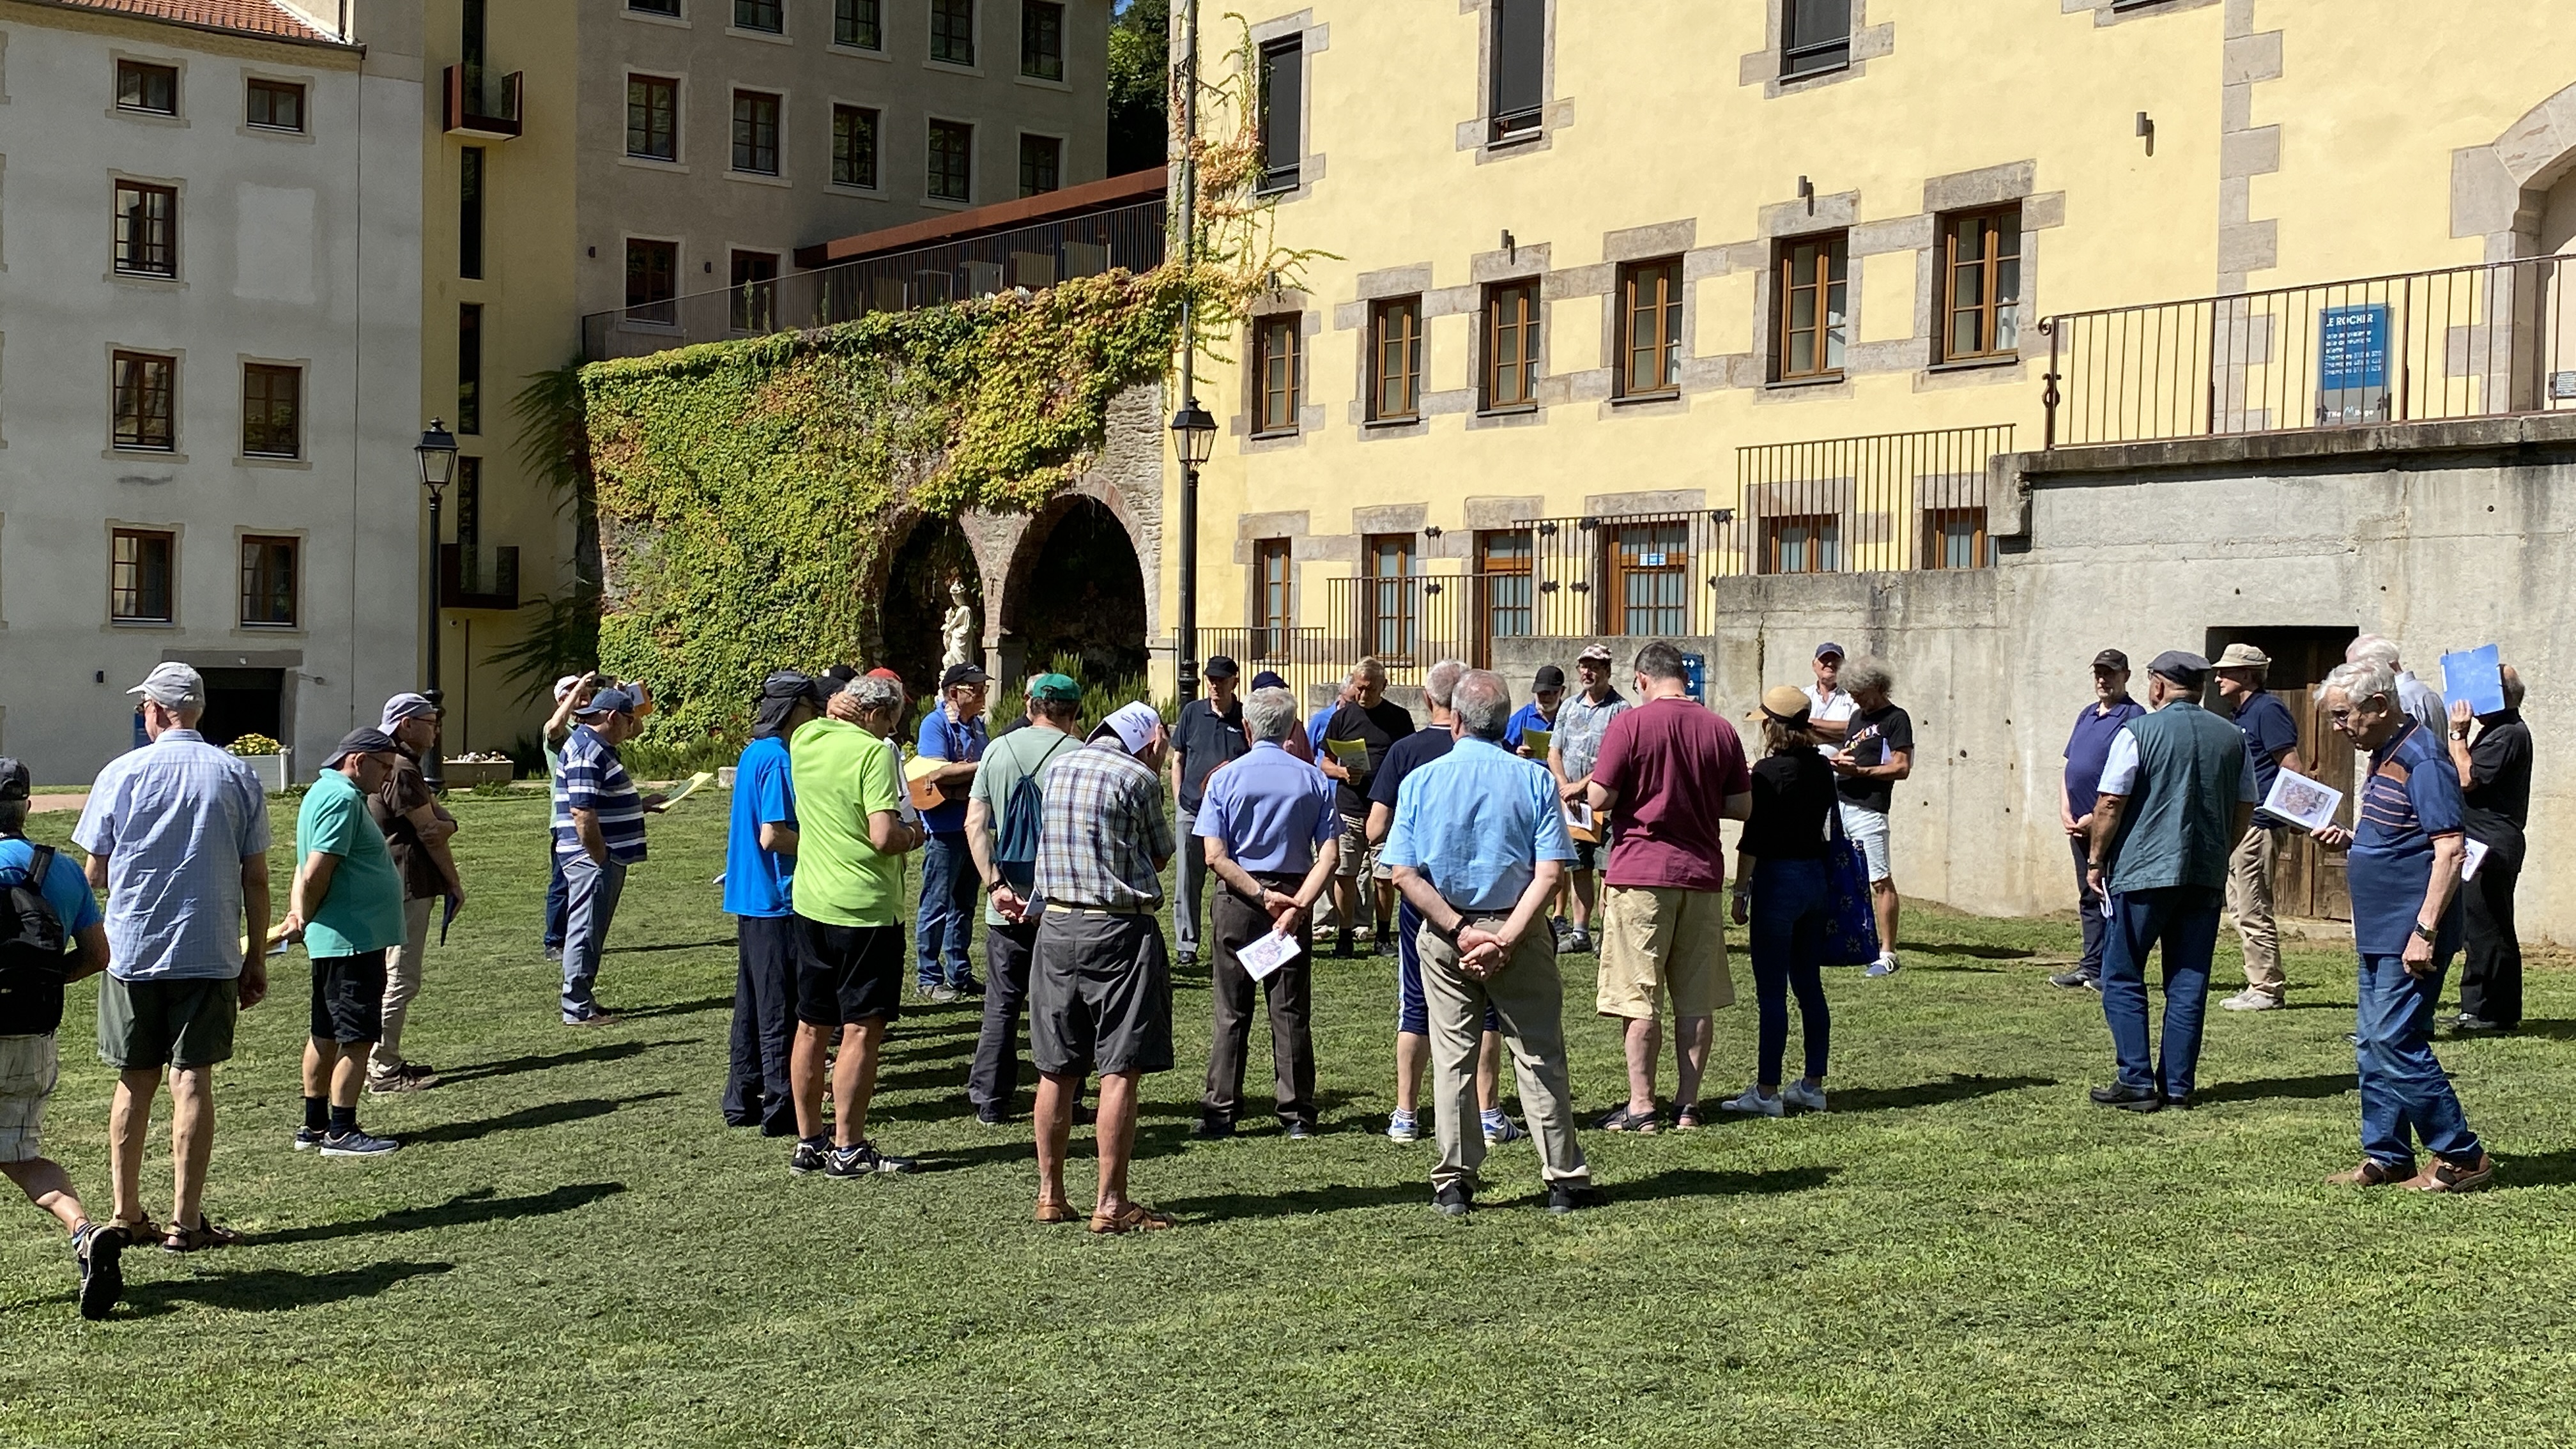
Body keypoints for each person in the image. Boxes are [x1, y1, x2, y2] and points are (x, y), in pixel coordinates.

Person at [1384, 670, 1603, 1217]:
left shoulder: (1421, 782)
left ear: (1455, 720)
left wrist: (1461, 931)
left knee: (1453, 1055)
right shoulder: (1532, 779)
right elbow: (1552, 870)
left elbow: (1403, 874)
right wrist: (1505, 936)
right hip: (1518, 928)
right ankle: (1563, 1177)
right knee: (1538, 1052)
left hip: (1446, 932)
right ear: (1507, 723)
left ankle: (1454, 1181)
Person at [72, 663, 272, 1254]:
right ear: (198, 711)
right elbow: (255, 877)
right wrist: (255, 955)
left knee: (135, 1081)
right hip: (209, 949)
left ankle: (126, 1213)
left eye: (144, 708)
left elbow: (94, 871)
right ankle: (185, 1223)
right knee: (192, 1081)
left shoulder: (122, 773)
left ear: (157, 711)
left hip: (133, 949)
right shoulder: (237, 773)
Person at [2310, 659, 2490, 1192]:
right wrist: (2355, 840)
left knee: (2394, 1038)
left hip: (2411, 934)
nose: (2339, 729)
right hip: (2380, 930)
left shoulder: (2425, 759)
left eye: (2344, 717)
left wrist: (2426, 931)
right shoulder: (2384, 752)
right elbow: (2404, 834)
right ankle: (2388, 1155)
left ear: (2381, 707)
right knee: (2371, 1043)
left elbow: (2451, 850)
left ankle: (2462, 1157)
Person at [1587, 641, 1752, 1132]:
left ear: (1641, 679)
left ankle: (1641, 1105)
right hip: (1700, 875)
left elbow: (1600, 796)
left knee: (1638, 996)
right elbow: (1742, 806)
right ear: (1684, 677)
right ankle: (1687, 1105)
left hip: (1640, 873)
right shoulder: (1720, 728)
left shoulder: (1630, 724)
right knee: (1695, 998)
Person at [1030, 702, 1179, 1233]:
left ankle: (1050, 1194)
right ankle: (1110, 1202)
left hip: (1056, 925)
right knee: (1120, 1066)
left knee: (1057, 1067)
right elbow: (1162, 854)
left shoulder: (1060, 767)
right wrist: (1155, 770)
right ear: (1147, 741)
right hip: (1118, 927)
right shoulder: (1139, 777)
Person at [2083, 651, 2254, 1113]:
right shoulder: (2234, 737)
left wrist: (2096, 859)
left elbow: (2110, 803)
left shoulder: (2137, 732)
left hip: (2143, 872)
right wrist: (2221, 850)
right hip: (2204, 873)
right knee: (2188, 980)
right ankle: (2178, 1085)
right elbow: (2244, 808)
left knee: (2121, 974)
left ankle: (2136, 1079)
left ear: (2157, 686)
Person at [1364, 663, 1519, 1147]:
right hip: (1494, 897)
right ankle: (1489, 1112)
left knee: (1416, 1006)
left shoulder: (1407, 753)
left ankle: (1407, 1114)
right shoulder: (1504, 756)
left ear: (1431, 699)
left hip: (1427, 899)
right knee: (1489, 1007)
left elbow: (1374, 830)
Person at [785, 674, 925, 1177]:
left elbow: (814, 722)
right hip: (864, 907)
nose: (894, 730)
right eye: (891, 719)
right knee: (862, 1028)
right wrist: (915, 834)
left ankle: (809, 1141)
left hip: (812, 899)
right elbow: (884, 835)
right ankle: (849, 1145)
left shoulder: (805, 739)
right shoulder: (874, 754)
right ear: (873, 716)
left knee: (810, 1024)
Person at [0, 756, 125, 1319]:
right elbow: (99, 956)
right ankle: (83, 1230)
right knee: (23, 1154)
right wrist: (51, 978)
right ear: (26, 806)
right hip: (31, 1033)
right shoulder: (62, 870)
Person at [1193, 686, 1338, 1138]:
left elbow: (1214, 855)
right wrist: (1297, 904)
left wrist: (1260, 894)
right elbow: (1329, 856)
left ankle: (1221, 1112)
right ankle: (1296, 1114)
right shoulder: (1313, 778)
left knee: (1231, 1011)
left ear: (1248, 727)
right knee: (1289, 1009)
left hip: (1240, 899)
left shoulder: (1225, 779)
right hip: (1292, 897)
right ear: (1294, 727)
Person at [965, 673, 1089, 1125]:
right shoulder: (1081, 756)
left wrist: (995, 886)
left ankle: (990, 1100)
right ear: (1074, 712)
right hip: (1062, 904)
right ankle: (1067, 1099)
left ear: (1031, 705)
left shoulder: (998, 749)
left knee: (1001, 1004)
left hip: (1005, 905)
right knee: (1064, 1007)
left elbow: (975, 825)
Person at [280, 729, 410, 1159]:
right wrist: (306, 915)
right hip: (352, 940)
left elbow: (304, 869)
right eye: (384, 767)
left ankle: (314, 1126)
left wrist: (298, 914)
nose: (388, 778)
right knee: (356, 1038)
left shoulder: (322, 792)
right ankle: (341, 1131)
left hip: (336, 939)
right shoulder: (340, 799)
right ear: (357, 760)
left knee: (325, 1033)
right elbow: (317, 870)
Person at [1722, 690, 1841, 1116]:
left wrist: (1739, 893)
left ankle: (1767, 1090)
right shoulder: (1823, 768)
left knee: (1772, 991)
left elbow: (1752, 840)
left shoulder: (1767, 773)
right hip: (1814, 878)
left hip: (1778, 880)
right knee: (1809, 985)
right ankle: (1812, 1083)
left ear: (1773, 725)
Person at [723, 671, 826, 1135]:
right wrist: (824, 845)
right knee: (780, 1010)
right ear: (794, 710)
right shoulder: (780, 759)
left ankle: (740, 1097)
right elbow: (775, 834)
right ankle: (780, 1107)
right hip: (776, 899)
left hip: (748, 896)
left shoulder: (752, 753)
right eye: (811, 707)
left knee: (750, 1005)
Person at [367, 693, 461, 1093]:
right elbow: (430, 831)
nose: (436, 729)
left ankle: (375, 1057)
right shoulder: (403, 769)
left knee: (387, 975)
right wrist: (454, 882)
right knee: (400, 977)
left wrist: (448, 823)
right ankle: (383, 1066)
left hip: (390, 882)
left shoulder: (396, 764)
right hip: (406, 882)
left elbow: (441, 820)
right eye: (430, 721)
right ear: (405, 724)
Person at [2212, 643, 2305, 1012]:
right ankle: (2258, 982)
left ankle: (2267, 988)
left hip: (2260, 823)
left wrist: (2292, 817)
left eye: (2227, 671)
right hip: (2243, 824)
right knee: (2238, 908)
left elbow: (2292, 766)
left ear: (2249, 675)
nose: (2218, 678)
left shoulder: (2268, 710)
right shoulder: (2241, 713)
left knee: (2253, 908)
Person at [557, 687, 656, 1027]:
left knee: (590, 930)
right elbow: (582, 811)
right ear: (613, 718)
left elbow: (595, 801)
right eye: (630, 722)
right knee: (585, 930)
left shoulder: (595, 746)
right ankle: (577, 1007)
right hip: (592, 859)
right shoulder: (590, 750)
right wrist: (599, 856)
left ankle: (583, 998)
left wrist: (637, 806)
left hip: (598, 856)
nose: (632, 729)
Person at [2051, 651, 2145, 992]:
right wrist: (2066, 809)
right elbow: (2070, 766)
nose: (2103, 680)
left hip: (2109, 824)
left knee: (2113, 895)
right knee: (2089, 896)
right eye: (2099, 674)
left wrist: (2094, 816)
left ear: (2127, 676)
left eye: (2111, 674)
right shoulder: (2087, 714)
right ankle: (2090, 967)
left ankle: (2112, 970)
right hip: (2077, 825)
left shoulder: (2133, 716)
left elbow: (2131, 778)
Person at [2448, 666, 2531, 1033]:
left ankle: (2494, 1012)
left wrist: (2457, 735)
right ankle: (2478, 1007)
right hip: (2482, 840)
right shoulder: (2497, 732)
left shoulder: (2508, 733)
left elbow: (2467, 779)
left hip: (2492, 844)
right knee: (2477, 925)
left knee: (2488, 927)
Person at [1319, 658, 1416, 958]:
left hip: (1384, 809)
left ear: (1383, 687)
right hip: (1349, 806)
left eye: (1370, 689)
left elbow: (1409, 762)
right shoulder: (1342, 718)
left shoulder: (1399, 718)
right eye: (1359, 689)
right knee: (1345, 874)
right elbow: (1324, 761)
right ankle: (1345, 935)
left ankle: (1383, 935)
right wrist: (1343, 773)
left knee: (1384, 877)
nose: (1363, 695)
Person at [1830, 656, 1913, 977]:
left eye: (1859, 692)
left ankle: (1887, 952)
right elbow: (1852, 752)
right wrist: (1841, 761)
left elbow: (1901, 767)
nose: (1855, 699)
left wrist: (1860, 771)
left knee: (1879, 879)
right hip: (1841, 804)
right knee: (1843, 876)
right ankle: (1850, 940)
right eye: (1851, 693)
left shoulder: (1896, 719)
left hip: (1869, 808)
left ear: (1877, 687)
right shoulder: (1856, 717)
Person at [913, 663, 991, 1002]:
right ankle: (928, 976)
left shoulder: (976, 725)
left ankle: (958, 973)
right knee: (936, 902)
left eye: (982, 688)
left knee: (964, 903)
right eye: (973, 688)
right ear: (952, 692)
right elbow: (937, 773)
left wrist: (967, 779)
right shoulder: (935, 724)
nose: (980, 693)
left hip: (972, 825)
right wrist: (983, 765)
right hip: (944, 829)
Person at [1547, 643, 1630, 956]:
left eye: (1594, 667)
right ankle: (1580, 932)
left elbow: (1617, 760)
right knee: (1578, 868)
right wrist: (1565, 785)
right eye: (1583, 666)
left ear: (1607, 671)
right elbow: (1555, 750)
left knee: (1608, 870)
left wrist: (1581, 785)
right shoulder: (1568, 707)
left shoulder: (1621, 710)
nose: (1587, 672)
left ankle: (1608, 934)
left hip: (1606, 805)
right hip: (1573, 806)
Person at [1170, 655, 1250, 973]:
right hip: (1191, 809)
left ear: (1235, 680)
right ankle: (1186, 945)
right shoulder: (1192, 713)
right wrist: (1178, 800)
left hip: (1231, 816)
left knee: (1231, 879)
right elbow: (1179, 758)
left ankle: (1232, 939)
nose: (1215, 685)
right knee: (1188, 882)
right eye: (1211, 679)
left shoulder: (1245, 717)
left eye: (1221, 679)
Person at [540, 673, 592, 960]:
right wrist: (578, 690)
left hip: (590, 814)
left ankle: (579, 934)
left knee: (589, 879)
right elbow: (554, 726)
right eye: (574, 693)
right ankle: (554, 941)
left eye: (585, 693)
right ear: (562, 700)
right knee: (562, 880)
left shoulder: (591, 729)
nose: (583, 696)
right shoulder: (560, 731)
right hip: (563, 819)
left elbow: (632, 731)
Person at [2347, 634, 2446, 738]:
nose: (2353, 678)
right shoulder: (2426, 692)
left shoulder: (2399, 698)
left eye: (2356, 671)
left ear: (2376, 666)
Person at [1803, 643, 1857, 746]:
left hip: (1841, 761)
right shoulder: (1803, 695)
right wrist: (1841, 736)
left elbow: (1856, 729)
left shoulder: (1853, 696)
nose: (1830, 664)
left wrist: (1809, 724)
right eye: (1825, 659)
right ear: (1814, 665)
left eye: (1835, 660)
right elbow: (1793, 729)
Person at [1505, 664, 1564, 755]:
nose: (1546, 698)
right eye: (1541, 693)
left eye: (1552, 693)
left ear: (1562, 691)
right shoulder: (1521, 718)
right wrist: (1517, 753)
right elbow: (1503, 749)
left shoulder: (1569, 716)